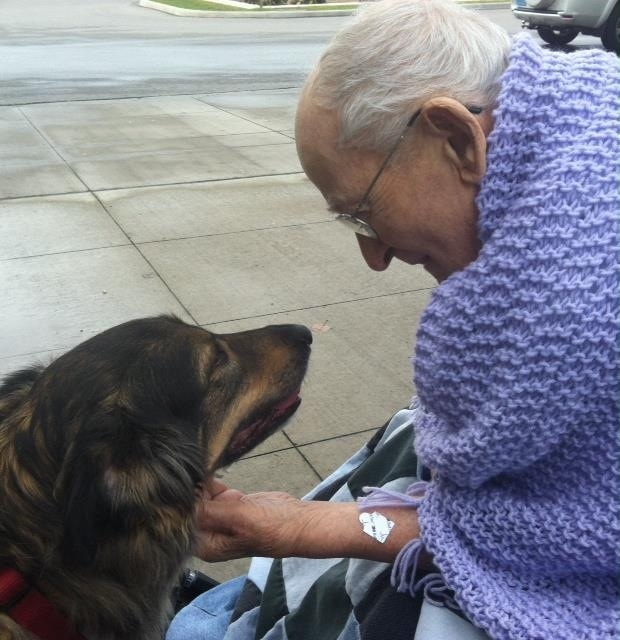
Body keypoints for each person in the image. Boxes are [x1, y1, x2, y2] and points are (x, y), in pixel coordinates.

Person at [166, 0, 620, 638]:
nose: (374, 255)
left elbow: (550, 543)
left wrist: (303, 529)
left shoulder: (578, 315)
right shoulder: (582, 122)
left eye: (361, 212)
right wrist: (300, 526)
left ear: (458, 140)